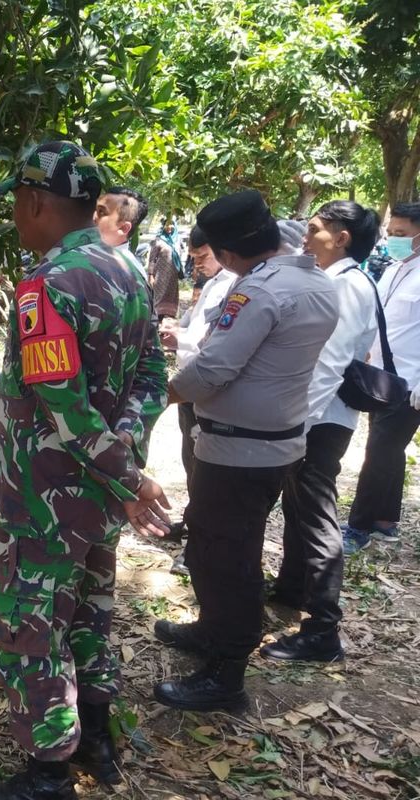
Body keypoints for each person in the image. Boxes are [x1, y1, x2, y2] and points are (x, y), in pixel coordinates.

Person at [0, 141, 170, 800]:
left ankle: (47, 774)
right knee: (89, 611)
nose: (16, 219)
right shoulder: (129, 268)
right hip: (97, 499)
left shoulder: (47, 283)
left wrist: (130, 477)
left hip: (44, 498)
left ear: (34, 203)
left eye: (16, 207)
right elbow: (151, 374)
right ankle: (99, 739)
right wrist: (127, 460)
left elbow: (63, 403)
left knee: (30, 626)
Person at [155, 190, 338, 712]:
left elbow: (213, 369)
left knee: (224, 558)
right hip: (276, 444)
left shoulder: (257, 292)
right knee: (224, 549)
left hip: (236, 452)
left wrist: (160, 394)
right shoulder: (315, 281)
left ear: (229, 252)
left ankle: (226, 674)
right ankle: (213, 632)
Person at [261, 201, 379, 662]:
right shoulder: (334, 281)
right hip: (315, 417)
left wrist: (296, 426)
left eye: (313, 230)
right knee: (298, 505)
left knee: (315, 516)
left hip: (320, 420)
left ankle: (323, 628)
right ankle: (292, 589)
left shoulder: (347, 287)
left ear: (342, 237)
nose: (305, 238)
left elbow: (328, 365)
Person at [342, 201, 420, 553]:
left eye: (402, 235)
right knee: (389, 450)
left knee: (378, 452)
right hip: (382, 377)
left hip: (411, 382)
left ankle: (357, 527)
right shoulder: (393, 269)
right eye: (391, 234)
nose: (393, 241)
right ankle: (386, 520)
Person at [156, 225, 236, 548]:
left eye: (202, 257)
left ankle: (202, 537)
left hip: (206, 386)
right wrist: (178, 328)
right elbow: (195, 324)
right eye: (193, 258)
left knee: (204, 468)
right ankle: (193, 524)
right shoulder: (212, 283)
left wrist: (182, 338)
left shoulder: (235, 285)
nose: (197, 264)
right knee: (191, 459)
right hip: (190, 382)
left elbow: (218, 344)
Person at [93, 186, 149, 256]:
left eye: (101, 212)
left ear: (123, 228)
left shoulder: (122, 266)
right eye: (94, 209)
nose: (93, 216)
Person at [146, 218, 181, 321]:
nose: (169, 227)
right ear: (163, 226)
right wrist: (150, 274)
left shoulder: (176, 240)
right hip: (161, 276)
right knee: (159, 296)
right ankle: (156, 318)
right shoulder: (158, 240)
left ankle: (168, 317)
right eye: (167, 225)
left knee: (171, 296)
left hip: (173, 277)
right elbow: (152, 259)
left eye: (171, 225)